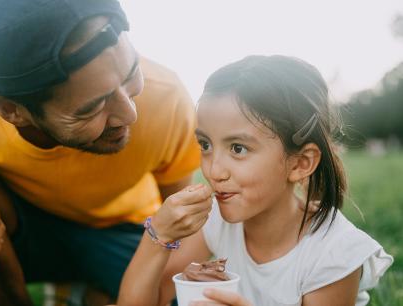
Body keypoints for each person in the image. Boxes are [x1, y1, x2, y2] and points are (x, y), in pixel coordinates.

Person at [0, 0, 200, 305]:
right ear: (11, 111)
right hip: (16, 235)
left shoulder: (167, 98)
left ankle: (90, 291)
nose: (129, 114)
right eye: (93, 107)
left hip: (119, 231)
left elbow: (183, 223)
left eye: (131, 73)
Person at [117, 55, 393, 306]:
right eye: (205, 145)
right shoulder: (217, 221)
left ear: (300, 163)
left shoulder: (334, 254)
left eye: (238, 148)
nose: (214, 171)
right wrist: (158, 235)